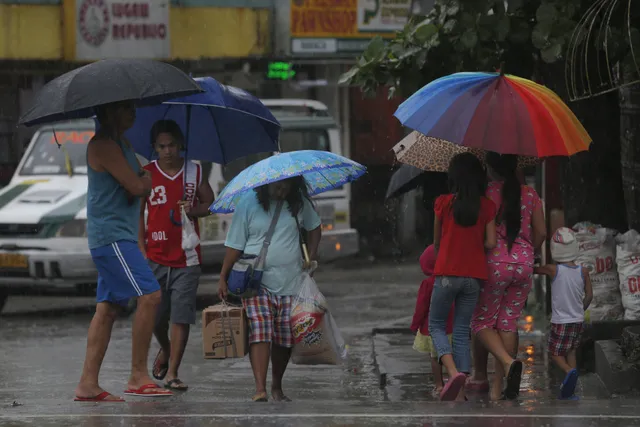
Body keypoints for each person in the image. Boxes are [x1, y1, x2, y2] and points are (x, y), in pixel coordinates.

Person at [75, 101, 172, 402]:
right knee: (151, 295)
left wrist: (142, 180)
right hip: (112, 238)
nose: (133, 113)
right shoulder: (103, 146)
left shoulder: (123, 143)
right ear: (110, 112)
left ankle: (87, 384)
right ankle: (137, 375)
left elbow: (138, 183)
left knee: (107, 309)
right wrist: (144, 180)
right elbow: (137, 185)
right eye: (126, 108)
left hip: (121, 236)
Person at [218, 177, 322, 402]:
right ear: (266, 184)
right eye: (277, 185)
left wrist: (311, 256)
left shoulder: (300, 202)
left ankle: (277, 386)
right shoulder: (248, 202)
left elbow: (314, 228)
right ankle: (260, 389)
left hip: (291, 281)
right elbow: (235, 244)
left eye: (287, 185)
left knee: (284, 338)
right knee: (261, 330)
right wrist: (223, 276)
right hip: (256, 282)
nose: (282, 189)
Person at [139, 120, 215, 391]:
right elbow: (138, 213)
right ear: (154, 148)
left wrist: (192, 209)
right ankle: (166, 348)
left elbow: (211, 204)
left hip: (187, 256)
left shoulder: (194, 172)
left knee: (181, 316)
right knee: (156, 318)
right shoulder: (146, 173)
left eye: (172, 145)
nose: (168, 150)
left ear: (180, 145)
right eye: (162, 146)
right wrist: (140, 247)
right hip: (155, 256)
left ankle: (173, 373)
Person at [469, 152, 546, 400]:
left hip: (494, 266)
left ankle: (505, 360)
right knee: (507, 323)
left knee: (481, 322)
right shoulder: (530, 194)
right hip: (523, 266)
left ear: (489, 167)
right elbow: (542, 232)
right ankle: (496, 388)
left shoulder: (485, 193)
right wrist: (527, 252)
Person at [428, 152, 497, 401]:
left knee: (435, 325)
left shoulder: (443, 203)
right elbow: (491, 242)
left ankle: (453, 371)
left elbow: (436, 243)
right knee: (461, 329)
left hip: (447, 272)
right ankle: (462, 383)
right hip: (474, 277)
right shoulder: (487, 206)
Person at [535, 227, 593, 400]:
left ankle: (569, 371)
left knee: (555, 353)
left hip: (561, 321)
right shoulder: (583, 271)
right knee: (571, 352)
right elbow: (589, 296)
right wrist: (579, 310)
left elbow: (532, 270)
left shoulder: (553, 270)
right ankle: (571, 391)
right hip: (578, 320)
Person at [410, 244, 455, 395]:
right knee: (450, 356)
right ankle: (454, 379)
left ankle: (439, 385)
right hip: (451, 327)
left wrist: (415, 324)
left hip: (432, 329)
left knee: (435, 358)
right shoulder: (452, 281)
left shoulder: (428, 284)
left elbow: (421, 307)